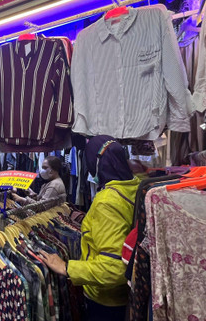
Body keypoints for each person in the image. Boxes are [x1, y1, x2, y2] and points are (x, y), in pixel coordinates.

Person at [38, 135, 138, 321]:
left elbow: (114, 268)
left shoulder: (107, 201)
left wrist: (67, 268)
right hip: (127, 296)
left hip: (106, 300)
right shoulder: (135, 187)